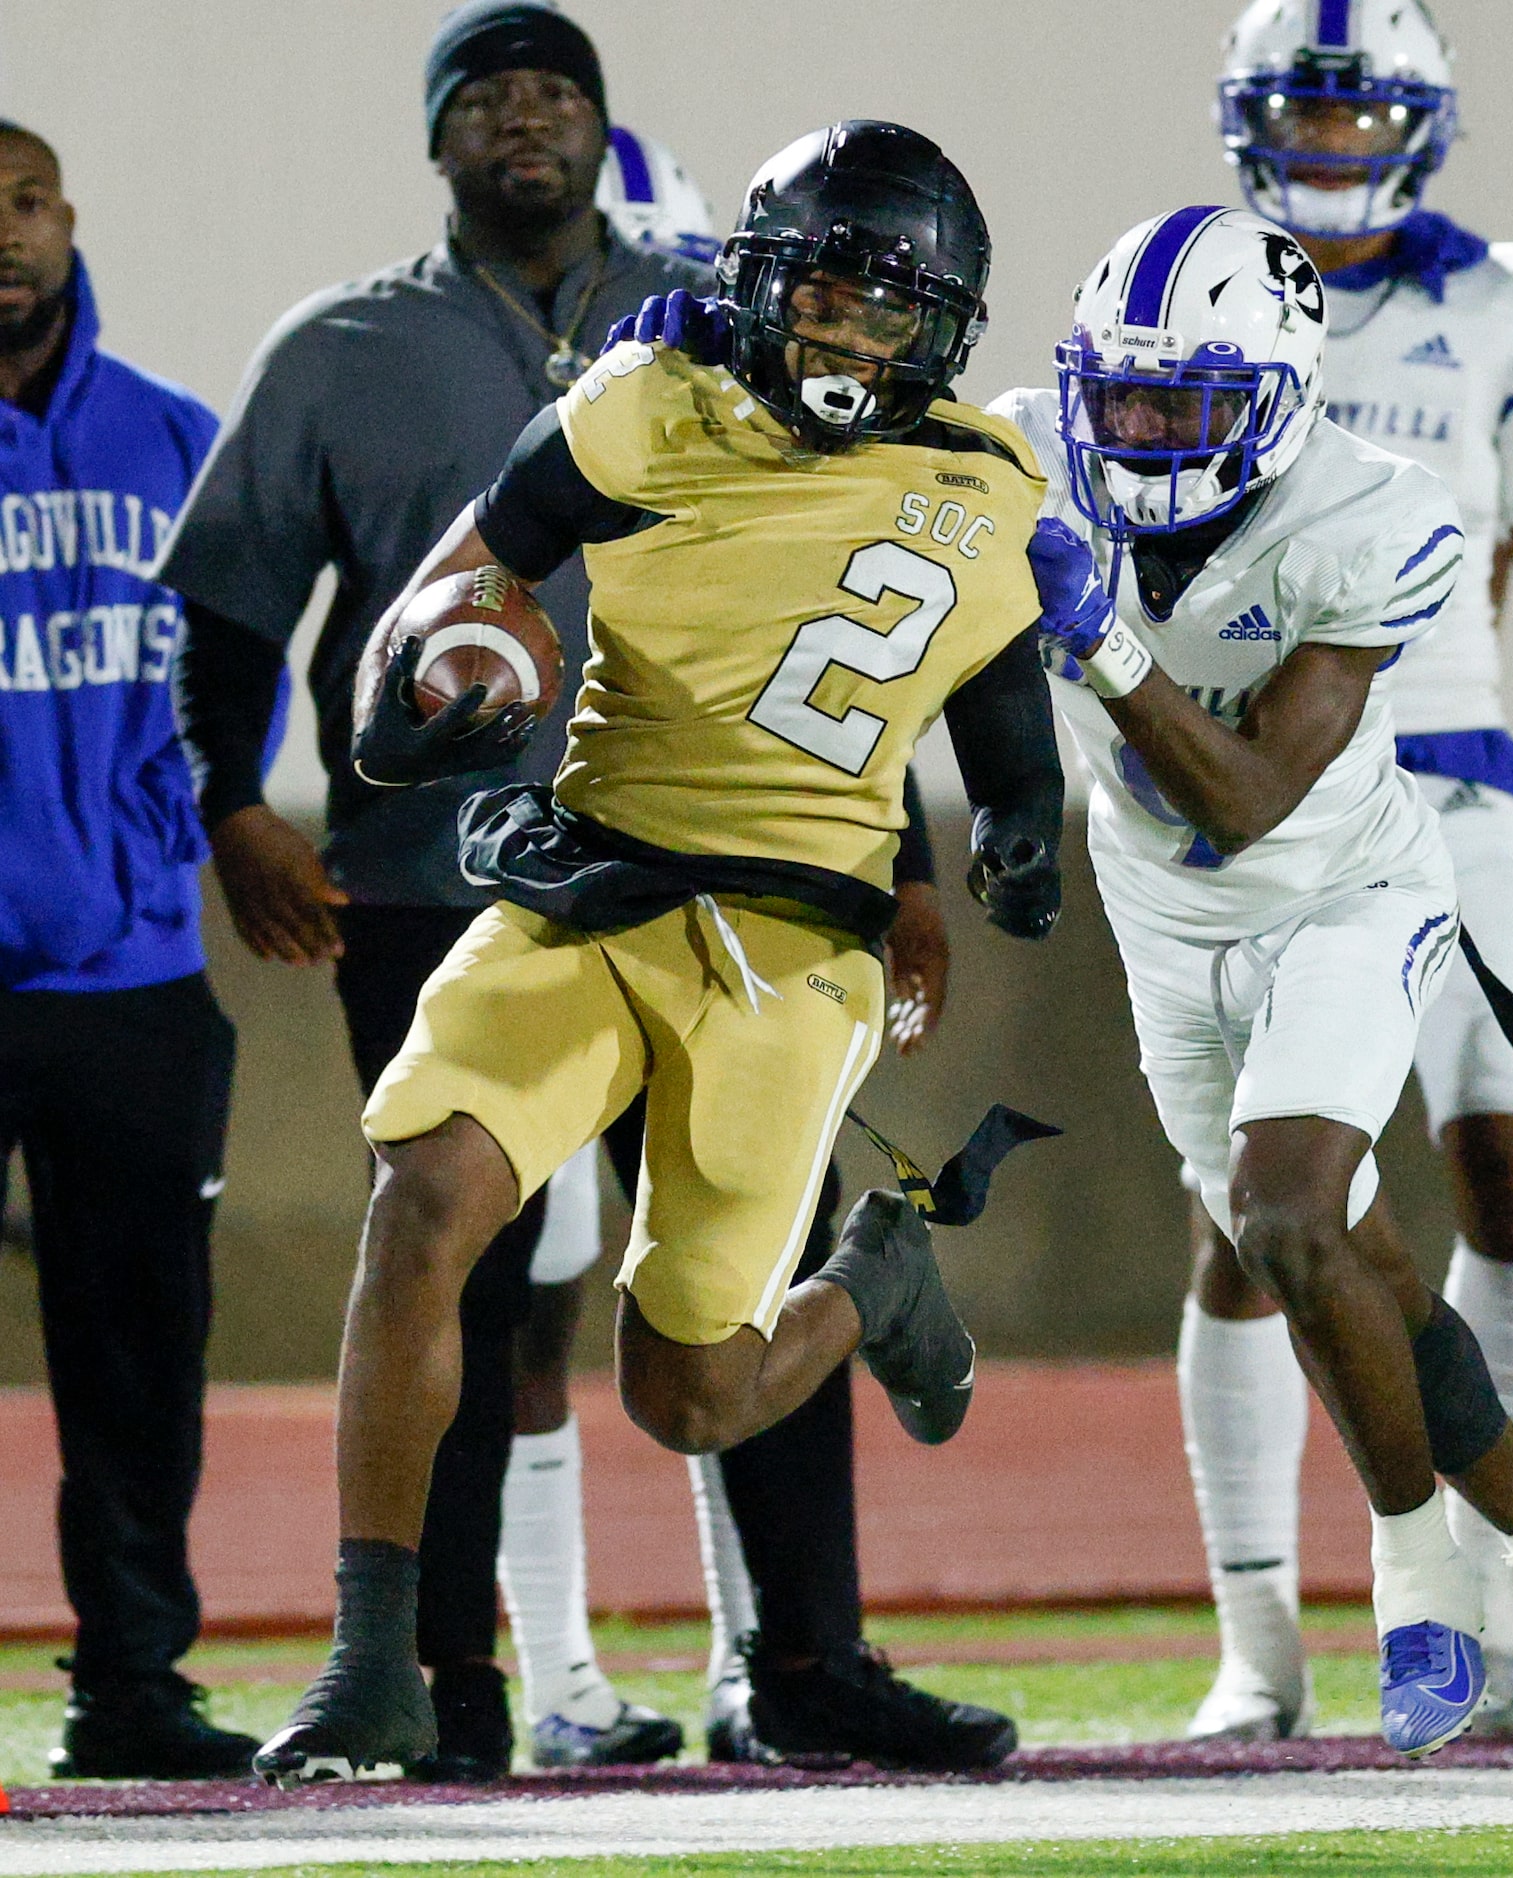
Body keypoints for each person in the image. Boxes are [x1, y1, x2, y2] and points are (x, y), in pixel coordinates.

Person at [250, 116, 1064, 1785]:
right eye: (823, 287)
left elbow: (1001, 719)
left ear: (944, 329)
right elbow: (447, 600)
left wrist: (1027, 841)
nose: (846, 327)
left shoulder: (983, 484)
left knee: (688, 1395)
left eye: (887, 304)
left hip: (788, 943)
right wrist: (429, 693)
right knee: (424, 1196)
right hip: (590, 885)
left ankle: (874, 1280)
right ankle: (373, 1661)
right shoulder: (645, 401)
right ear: (760, 280)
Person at [992, 203, 1513, 1756]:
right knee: (1349, 1265)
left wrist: (1105, 645)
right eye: (1121, 399)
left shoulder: (1373, 511)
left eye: (1183, 405)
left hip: (1343, 884)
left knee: (1290, 1217)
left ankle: (1417, 1564)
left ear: (1282, 396)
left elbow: (1242, 795)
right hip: (1163, 921)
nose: (1142, 434)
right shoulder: (1027, 452)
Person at [160, 0, 712, 1778]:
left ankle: (795, 1653)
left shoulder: (708, 325)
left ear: (597, 125)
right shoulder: (339, 342)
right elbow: (235, 599)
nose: (526, 120)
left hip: (699, 855)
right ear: (440, 140)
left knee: (727, 1258)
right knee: (463, 1272)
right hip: (428, 877)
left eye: (557, 91)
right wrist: (235, 800)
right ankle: (446, 1680)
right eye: (487, 98)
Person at [1169, 0, 1513, 1742]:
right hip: (1259, 792)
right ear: (1247, 120)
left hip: (1453, 777)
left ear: (1416, 125)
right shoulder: (1191, 284)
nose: (1325, 146)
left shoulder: (1504, 299)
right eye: (1297, 117)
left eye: (1354, 116)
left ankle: (1485, 1598)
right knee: (1256, 1224)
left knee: (1507, 1180)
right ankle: (1257, 1638)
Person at [504, 772, 1018, 1772]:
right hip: (486, 895)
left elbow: (854, 648)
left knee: (742, 1266)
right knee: (507, 1288)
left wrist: (911, 877)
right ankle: (501, 1677)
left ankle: (789, 1664)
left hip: (712, 911)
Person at [0, 119, 259, 1779]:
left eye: (20, 204)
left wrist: (179, 829)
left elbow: (237, 667)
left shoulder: (174, 439)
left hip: (132, 982)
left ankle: (133, 1683)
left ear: (67, 218)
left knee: (139, 1366)